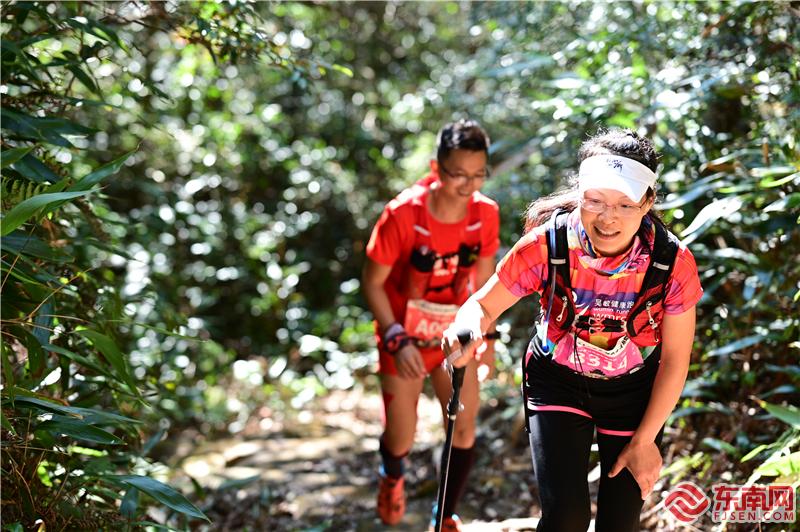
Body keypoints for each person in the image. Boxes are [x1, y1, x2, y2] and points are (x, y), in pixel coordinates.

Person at [442, 129, 703, 532]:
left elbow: (675, 359)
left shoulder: (671, 262)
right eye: (595, 200)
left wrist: (646, 439)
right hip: (556, 381)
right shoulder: (547, 245)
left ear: (648, 202)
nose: (608, 216)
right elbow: (482, 305)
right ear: (580, 193)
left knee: (620, 523)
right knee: (565, 519)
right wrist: (465, 328)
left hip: (634, 393)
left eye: (624, 204)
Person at [362, 119, 501, 531]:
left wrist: (487, 337)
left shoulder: (485, 214)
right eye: (459, 174)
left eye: (478, 175)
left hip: (454, 336)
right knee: (402, 436)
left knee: (463, 423)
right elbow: (372, 283)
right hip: (402, 337)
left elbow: (486, 282)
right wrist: (394, 337)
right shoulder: (403, 213)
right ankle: (392, 475)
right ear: (436, 167)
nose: (469, 185)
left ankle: (445, 515)